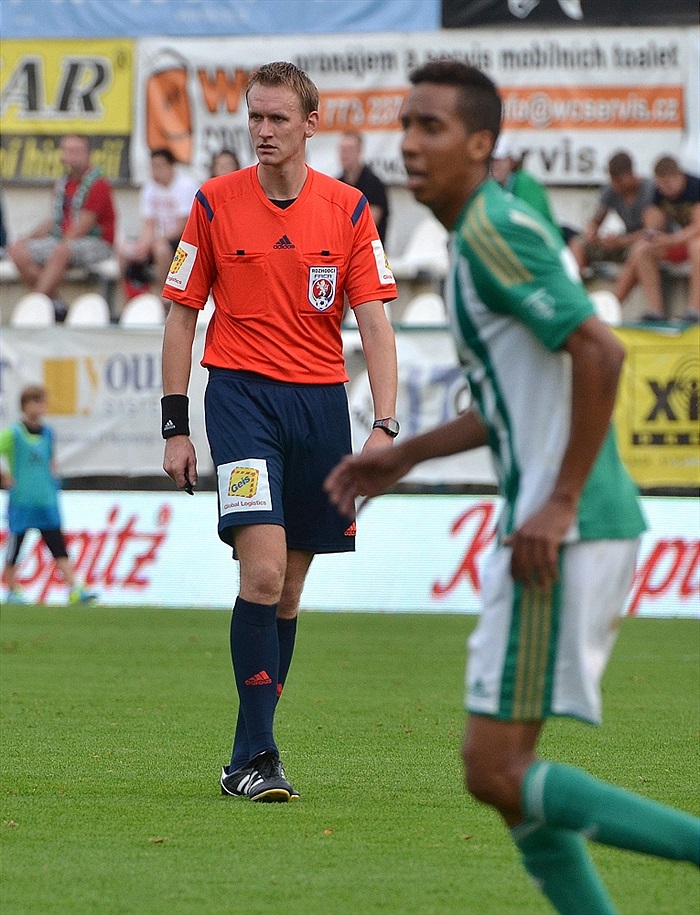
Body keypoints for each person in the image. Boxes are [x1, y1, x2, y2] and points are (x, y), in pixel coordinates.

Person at [325, 62, 699, 914]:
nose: (410, 145)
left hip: (561, 525)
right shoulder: (474, 244)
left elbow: (602, 353)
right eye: (407, 126)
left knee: (494, 767)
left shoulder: (495, 231)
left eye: (432, 128)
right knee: (500, 779)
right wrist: (408, 452)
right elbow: (514, 393)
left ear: (483, 144)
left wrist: (560, 499)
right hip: (552, 521)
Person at [160, 61, 398, 803]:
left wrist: (384, 426)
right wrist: (175, 422)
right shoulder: (212, 203)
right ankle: (260, 753)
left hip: (322, 407)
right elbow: (181, 315)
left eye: (276, 120)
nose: (262, 131)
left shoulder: (352, 210)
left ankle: (244, 755)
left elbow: (376, 325)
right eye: (254, 119)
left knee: (288, 592)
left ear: (310, 123)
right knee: (260, 573)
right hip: (239, 402)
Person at [1, 384, 97, 606]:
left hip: (45, 500)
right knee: (16, 546)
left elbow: (50, 461)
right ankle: (11, 589)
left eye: (41, 402)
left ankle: (74, 588)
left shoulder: (48, 433)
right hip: (22, 500)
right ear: (24, 406)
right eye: (33, 402)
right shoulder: (14, 434)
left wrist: (54, 481)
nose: (37, 407)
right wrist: (4, 476)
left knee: (58, 546)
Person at [7, 134, 115, 321]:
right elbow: (56, 220)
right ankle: (55, 304)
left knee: (60, 251)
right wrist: (29, 238)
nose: (71, 156)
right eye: (68, 151)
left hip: (97, 242)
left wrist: (58, 246)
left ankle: (34, 308)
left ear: (87, 154)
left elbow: (84, 225)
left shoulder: (99, 184)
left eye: (76, 151)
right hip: (63, 242)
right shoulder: (62, 183)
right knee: (17, 250)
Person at [614, 155, 700, 322]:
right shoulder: (659, 192)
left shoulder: (695, 187)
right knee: (643, 249)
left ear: (679, 176)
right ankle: (655, 311)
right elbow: (652, 221)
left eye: (668, 185)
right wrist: (653, 235)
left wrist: (671, 239)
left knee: (698, 247)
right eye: (661, 185)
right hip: (681, 243)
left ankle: (694, 310)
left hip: (692, 242)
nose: (664, 190)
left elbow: (698, 228)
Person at [119, 148, 198, 301]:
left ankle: (164, 298)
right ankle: (131, 300)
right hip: (157, 240)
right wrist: (143, 244)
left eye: (160, 166)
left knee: (160, 249)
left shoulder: (186, 186)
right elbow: (148, 223)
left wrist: (154, 242)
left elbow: (184, 225)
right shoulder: (149, 189)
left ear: (171, 166)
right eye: (153, 166)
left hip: (182, 240)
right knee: (124, 250)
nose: (156, 171)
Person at [569, 151, 656, 274]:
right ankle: (576, 285)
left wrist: (621, 241)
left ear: (631, 173)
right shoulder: (611, 190)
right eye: (613, 181)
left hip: (645, 242)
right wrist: (591, 232)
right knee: (578, 243)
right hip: (623, 241)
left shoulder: (650, 190)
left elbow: (651, 232)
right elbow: (596, 220)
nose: (616, 186)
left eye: (620, 180)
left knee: (641, 249)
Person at [490, 135, 564, 239]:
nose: (495, 166)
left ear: (510, 162)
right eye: (492, 161)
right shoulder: (489, 186)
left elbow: (533, 222)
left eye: (500, 161)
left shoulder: (526, 184)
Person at [337, 130, 390, 244]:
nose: (345, 154)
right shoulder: (337, 184)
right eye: (342, 149)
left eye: (349, 150)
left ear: (359, 151)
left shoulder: (374, 183)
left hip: (369, 249)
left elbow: (368, 223)